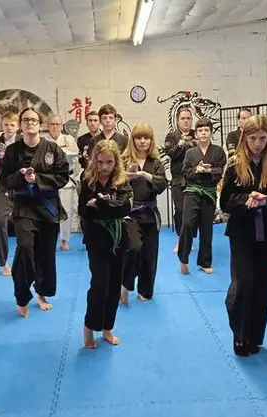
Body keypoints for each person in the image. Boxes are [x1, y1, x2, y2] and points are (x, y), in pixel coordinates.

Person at [220, 115, 267, 357]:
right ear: (244, 138)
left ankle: (254, 336)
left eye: (262, 138)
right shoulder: (234, 165)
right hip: (241, 232)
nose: (258, 144)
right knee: (243, 284)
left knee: (261, 287)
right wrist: (246, 200)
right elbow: (225, 201)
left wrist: (266, 200)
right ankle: (240, 335)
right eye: (252, 138)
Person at [0, 108, 70, 317]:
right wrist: (21, 177)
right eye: (25, 120)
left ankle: (41, 292)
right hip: (24, 208)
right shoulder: (12, 151)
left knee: (46, 255)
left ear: (40, 124)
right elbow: (5, 180)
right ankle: (22, 296)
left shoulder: (52, 149)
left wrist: (37, 179)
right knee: (24, 248)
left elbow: (63, 176)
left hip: (48, 208)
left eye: (33, 119)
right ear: (20, 125)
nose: (29, 122)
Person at [78, 140, 133, 348]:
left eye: (109, 162)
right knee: (100, 284)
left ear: (116, 161)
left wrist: (100, 204)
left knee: (114, 286)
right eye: (100, 162)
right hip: (96, 239)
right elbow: (84, 211)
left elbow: (124, 208)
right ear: (95, 160)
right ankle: (89, 327)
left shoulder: (121, 181)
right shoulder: (88, 181)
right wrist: (107, 206)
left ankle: (107, 328)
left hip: (118, 239)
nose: (104, 166)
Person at [120, 123, 167, 305]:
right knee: (133, 248)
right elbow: (114, 182)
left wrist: (145, 175)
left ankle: (145, 290)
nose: (142, 141)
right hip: (130, 214)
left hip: (150, 213)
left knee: (149, 254)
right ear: (132, 140)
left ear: (151, 140)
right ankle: (125, 284)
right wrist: (126, 176)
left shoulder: (156, 163)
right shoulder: (124, 160)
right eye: (138, 137)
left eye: (146, 137)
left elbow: (162, 185)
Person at [178, 118, 226, 274]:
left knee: (206, 228)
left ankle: (205, 262)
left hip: (209, 193)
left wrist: (208, 170)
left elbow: (220, 171)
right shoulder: (190, 153)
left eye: (206, 130)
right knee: (187, 224)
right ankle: (183, 259)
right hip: (192, 191)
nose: (203, 133)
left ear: (211, 133)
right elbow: (185, 172)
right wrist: (197, 170)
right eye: (200, 130)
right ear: (196, 134)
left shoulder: (218, 151)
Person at [0, 111, 21, 275]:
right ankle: (3, 262)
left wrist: (8, 161)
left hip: (22, 187)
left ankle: (27, 258)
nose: (9, 128)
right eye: (6, 125)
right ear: (2, 126)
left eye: (12, 125)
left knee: (26, 222)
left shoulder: (22, 140)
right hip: (4, 187)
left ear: (18, 126)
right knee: (0, 221)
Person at [163, 107, 196, 252]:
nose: (186, 121)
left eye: (188, 118)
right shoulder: (172, 136)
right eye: (183, 118)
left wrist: (193, 144)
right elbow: (170, 153)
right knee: (180, 210)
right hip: (178, 179)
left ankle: (189, 240)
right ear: (177, 121)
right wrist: (180, 145)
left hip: (194, 179)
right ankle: (179, 239)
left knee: (192, 212)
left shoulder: (196, 134)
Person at [45, 114, 79, 251]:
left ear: (61, 126)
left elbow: (74, 155)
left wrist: (57, 152)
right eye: (52, 124)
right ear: (48, 126)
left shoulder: (68, 139)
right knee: (48, 211)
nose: (55, 127)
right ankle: (49, 238)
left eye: (57, 124)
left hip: (66, 179)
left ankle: (64, 239)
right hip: (48, 180)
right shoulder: (43, 140)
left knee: (66, 210)